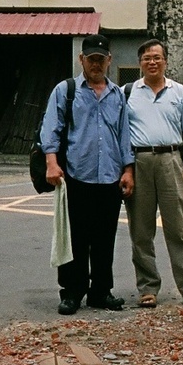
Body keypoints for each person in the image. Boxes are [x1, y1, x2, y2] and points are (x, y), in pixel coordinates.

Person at [40, 34, 134, 315]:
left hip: (109, 177)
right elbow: (51, 128)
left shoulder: (117, 95)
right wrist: (51, 163)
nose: (96, 64)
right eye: (91, 59)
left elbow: (124, 135)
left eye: (100, 59)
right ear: (81, 59)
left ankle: (100, 292)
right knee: (76, 238)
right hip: (76, 175)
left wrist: (128, 170)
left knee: (105, 238)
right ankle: (72, 292)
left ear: (109, 61)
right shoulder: (66, 90)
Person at [123, 38, 183, 308]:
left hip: (170, 159)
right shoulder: (127, 93)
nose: (152, 62)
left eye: (157, 57)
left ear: (165, 61)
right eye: (147, 58)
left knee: (178, 229)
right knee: (141, 231)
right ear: (140, 63)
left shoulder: (180, 93)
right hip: (139, 161)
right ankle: (148, 288)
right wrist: (126, 170)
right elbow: (120, 134)